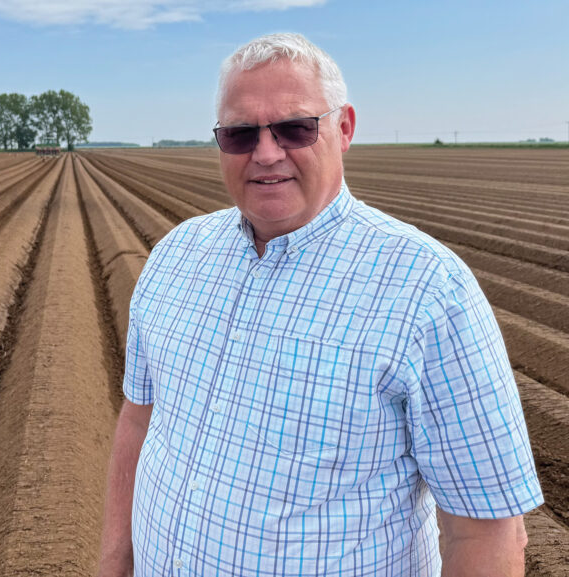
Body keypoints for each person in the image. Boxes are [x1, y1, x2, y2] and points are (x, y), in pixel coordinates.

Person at [98, 32, 543, 576]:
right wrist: (115, 563)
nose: (266, 153)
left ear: (344, 127)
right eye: (241, 134)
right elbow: (140, 423)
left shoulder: (426, 289)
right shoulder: (175, 256)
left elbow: (485, 529)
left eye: (295, 127)